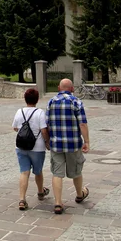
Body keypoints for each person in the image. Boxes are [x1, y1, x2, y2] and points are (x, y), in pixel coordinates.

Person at [46, 79, 90, 215]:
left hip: (56, 144)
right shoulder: (76, 101)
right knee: (76, 170)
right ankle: (79, 194)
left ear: (59, 88)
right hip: (73, 143)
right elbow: (82, 124)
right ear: (72, 89)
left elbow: (47, 123)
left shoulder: (51, 102)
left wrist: (48, 140)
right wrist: (86, 141)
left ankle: (58, 203)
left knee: (57, 173)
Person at [12, 88, 50, 210]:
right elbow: (44, 130)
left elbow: (15, 128)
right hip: (37, 148)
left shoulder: (19, 111)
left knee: (24, 172)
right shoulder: (40, 113)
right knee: (38, 171)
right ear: (37, 99)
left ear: (25, 98)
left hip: (21, 146)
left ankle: (22, 200)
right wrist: (47, 142)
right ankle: (40, 192)